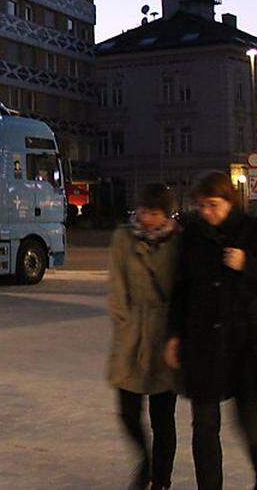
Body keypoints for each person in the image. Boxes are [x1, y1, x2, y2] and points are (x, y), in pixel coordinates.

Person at [165, 171, 257, 490]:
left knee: (249, 425)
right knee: (204, 428)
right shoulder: (192, 235)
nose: (206, 212)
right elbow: (179, 289)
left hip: (247, 346)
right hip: (203, 344)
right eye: (201, 205)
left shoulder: (254, 231)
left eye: (213, 205)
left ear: (229, 201)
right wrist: (173, 335)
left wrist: (247, 263)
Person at [108, 184, 180, 490]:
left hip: (166, 336)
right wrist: (123, 322)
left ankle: (160, 479)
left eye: (154, 213)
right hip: (132, 333)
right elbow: (116, 285)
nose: (147, 218)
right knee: (127, 412)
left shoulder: (179, 242)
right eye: (144, 211)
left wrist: (178, 334)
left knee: (163, 416)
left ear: (166, 214)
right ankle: (145, 461)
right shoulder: (123, 239)